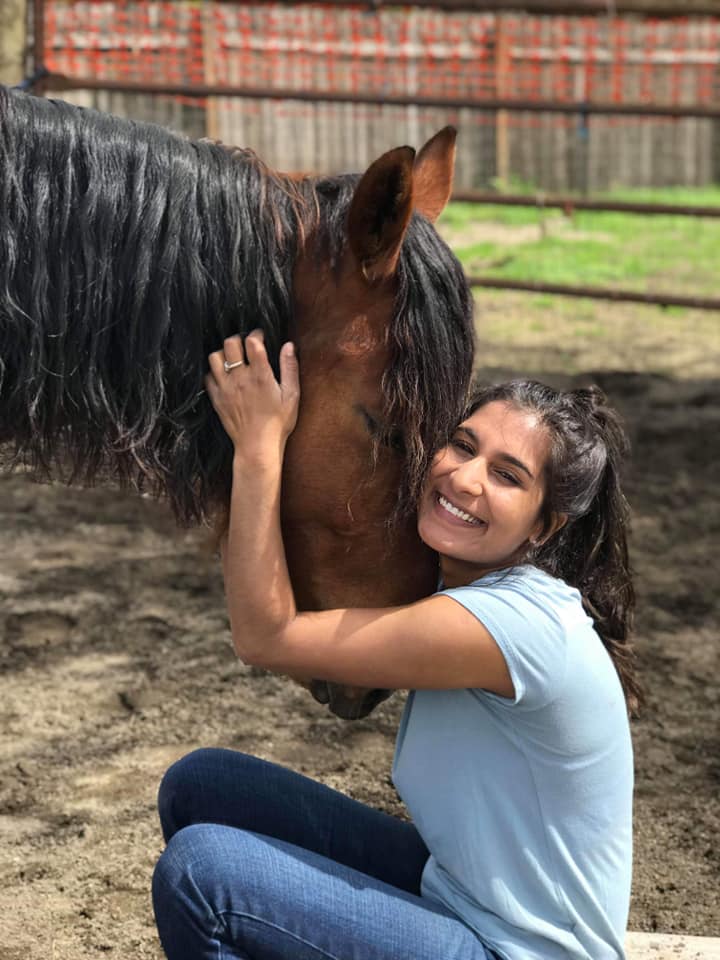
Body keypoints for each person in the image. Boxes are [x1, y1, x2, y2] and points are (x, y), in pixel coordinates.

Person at [151, 330, 639, 960]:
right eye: (463, 444)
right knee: (205, 784)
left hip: (512, 950)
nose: (464, 478)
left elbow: (265, 637)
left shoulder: (510, 625)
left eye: (507, 476)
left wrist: (258, 447)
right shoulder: (467, 584)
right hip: (455, 892)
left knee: (203, 873)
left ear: (544, 527)